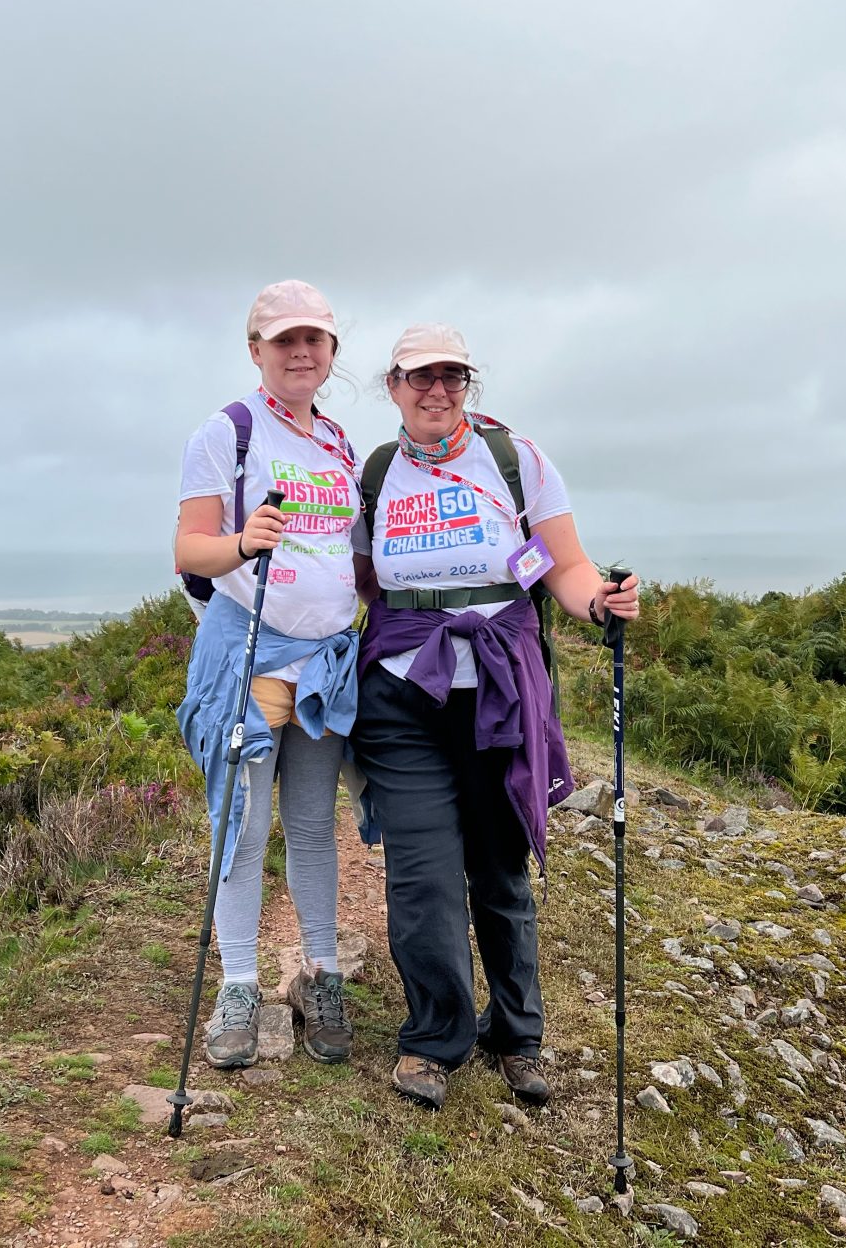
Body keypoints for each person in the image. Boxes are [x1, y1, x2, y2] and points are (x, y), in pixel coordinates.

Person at [349, 323, 640, 1110]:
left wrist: (598, 604)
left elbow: (566, 567)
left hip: (500, 691)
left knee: (499, 865)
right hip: (403, 695)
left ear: (467, 386)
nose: (437, 390)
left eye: (453, 376)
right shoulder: (373, 474)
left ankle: (518, 1034)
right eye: (421, 377)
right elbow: (356, 580)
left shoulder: (516, 462)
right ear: (394, 387)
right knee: (422, 875)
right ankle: (434, 1038)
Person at [175, 280, 364, 1070]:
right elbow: (191, 551)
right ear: (257, 351)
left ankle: (319, 974)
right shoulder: (229, 433)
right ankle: (241, 986)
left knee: (315, 825)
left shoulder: (341, 442)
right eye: (283, 340)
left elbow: (352, 552)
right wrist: (245, 540)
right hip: (252, 656)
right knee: (245, 827)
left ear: (330, 354)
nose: (299, 352)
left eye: (313, 340)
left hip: (324, 660)